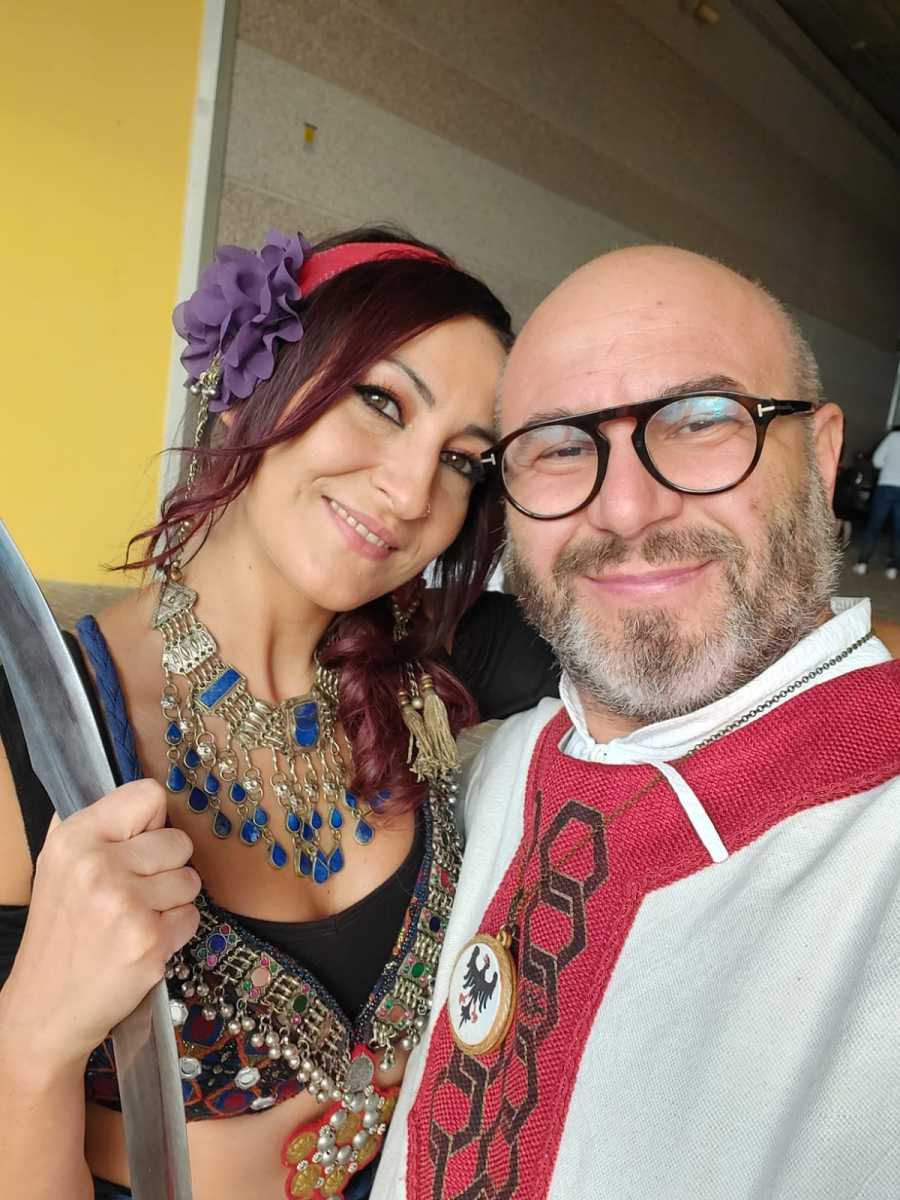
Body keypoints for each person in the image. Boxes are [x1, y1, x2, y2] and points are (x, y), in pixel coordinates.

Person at [0, 226, 518, 1200]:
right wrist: (32, 1038)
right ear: (248, 380)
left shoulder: (438, 668)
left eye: (463, 459)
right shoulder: (32, 736)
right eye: (381, 401)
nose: (413, 491)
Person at [375, 246, 900, 1200]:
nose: (624, 510)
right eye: (559, 446)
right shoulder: (497, 768)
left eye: (701, 421)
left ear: (822, 458)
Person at [853, 425, 900, 580]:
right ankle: (892, 568)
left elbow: (877, 461)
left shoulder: (893, 437)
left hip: (886, 486)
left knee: (874, 526)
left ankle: (863, 564)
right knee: (898, 531)